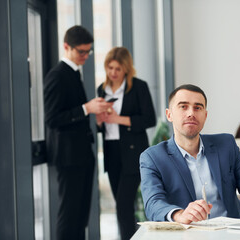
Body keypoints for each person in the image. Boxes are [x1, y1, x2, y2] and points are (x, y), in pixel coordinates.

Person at [140, 84, 240, 224]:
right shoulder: (153, 157)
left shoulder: (226, 144)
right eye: (183, 106)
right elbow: (153, 203)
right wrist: (179, 214)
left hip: (233, 231)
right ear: (169, 114)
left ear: (205, 115)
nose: (191, 113)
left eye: (198, 107)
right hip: (189, 234)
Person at [44, 25, 113, 240]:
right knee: (70, 214)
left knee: (80, 215)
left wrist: (93, 109)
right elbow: (52, 119)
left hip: (81, 154)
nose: (85, 56)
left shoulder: (73, 74)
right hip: (69, 157)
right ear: (66, 47)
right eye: (81, 52)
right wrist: (86, 108)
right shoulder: (57, 75)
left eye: (88, 51)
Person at [96, 47, 156, 240]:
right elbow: (102, 126)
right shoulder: (101, 89)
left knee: (123, 205)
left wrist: (119, 119)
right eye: (110, 68)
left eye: (118, 69)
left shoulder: (138, 87)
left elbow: (149, 119)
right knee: (122, 207)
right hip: (112, 151)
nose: (113, 73)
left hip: (133, 153)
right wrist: (99, 121)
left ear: (127, 69)